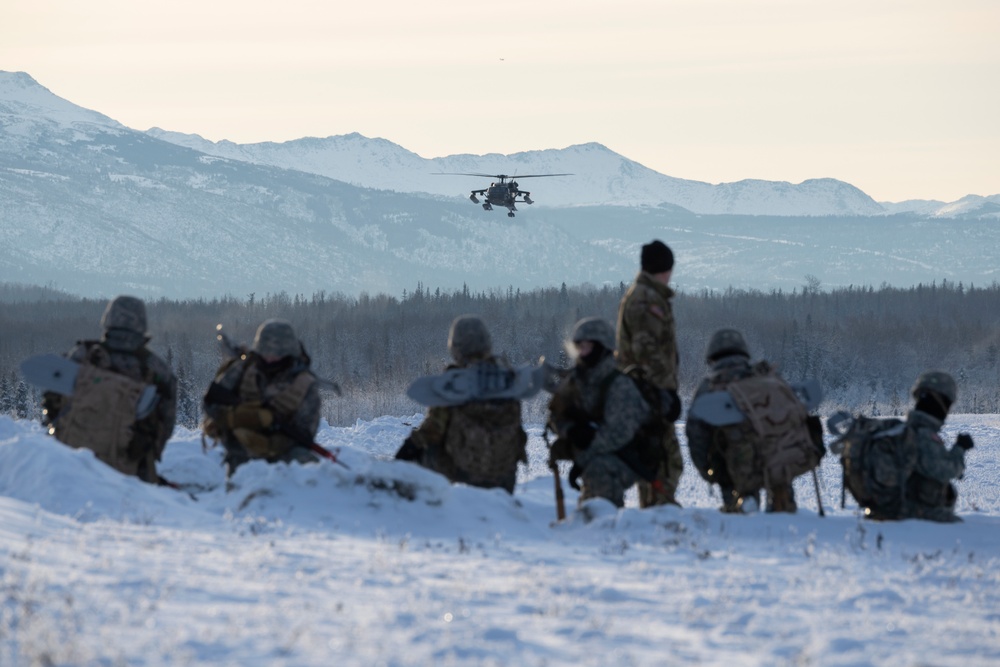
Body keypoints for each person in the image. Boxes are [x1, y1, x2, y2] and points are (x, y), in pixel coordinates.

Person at [41, 295, 177, 483]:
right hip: (130, 469)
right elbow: (166, 423)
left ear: (108, 319)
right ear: (141, 324)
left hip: (68, 461)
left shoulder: (84, 355)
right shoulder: (156, 369)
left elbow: (53, 399)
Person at [397, 315, 527, 493]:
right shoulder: (506, 379)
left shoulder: (454, 382)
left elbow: (433, 429)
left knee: (427, 450)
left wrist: (408, 448)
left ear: (456, 347)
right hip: (503, 476)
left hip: (463, 473)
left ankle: (430, 500)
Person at [685, 328, 805, 513]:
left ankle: (740, 502)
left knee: (726, 457)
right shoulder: (766, 378)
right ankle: (783, 500)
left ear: (712, 356)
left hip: (734, 466)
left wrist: (709, 471)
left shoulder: (709, 386)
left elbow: (696, 434)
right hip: (778, 458)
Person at [547, 317, 651, 508]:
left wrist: (584, 457)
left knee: (600, 470)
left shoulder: (619, 385)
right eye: (579, 347)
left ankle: (604, 523)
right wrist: (571, 431)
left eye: (587, 347)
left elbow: (618, 434)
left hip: (624, 456)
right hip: (591, 453)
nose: (581, 353)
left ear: (601, 348)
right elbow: (556, 415)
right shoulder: (576, 381)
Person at [203, 319, 321, 476]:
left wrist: (270, 434)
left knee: (306, 467)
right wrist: (240, 417)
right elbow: (211, 403)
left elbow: (305, 432)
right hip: (242, 449)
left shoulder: (304, 384)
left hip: (285, 452)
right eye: (266, 351)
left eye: (277, 353)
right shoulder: (243, 369)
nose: (271, 357)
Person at [615, 239, 683, 507]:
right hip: (648, 394)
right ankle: (658, 505)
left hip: (646, 392)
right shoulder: (646, 299)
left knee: (662, 454)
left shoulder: (644, 295)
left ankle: (658, 502)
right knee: (662, 455)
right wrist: (661, 393)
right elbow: (646, 350)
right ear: (664, 269)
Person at [894, 371, 971, 522]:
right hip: (916, 514)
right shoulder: (923, 435)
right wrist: (960, 449)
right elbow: (946, 470)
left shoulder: (906, 430)